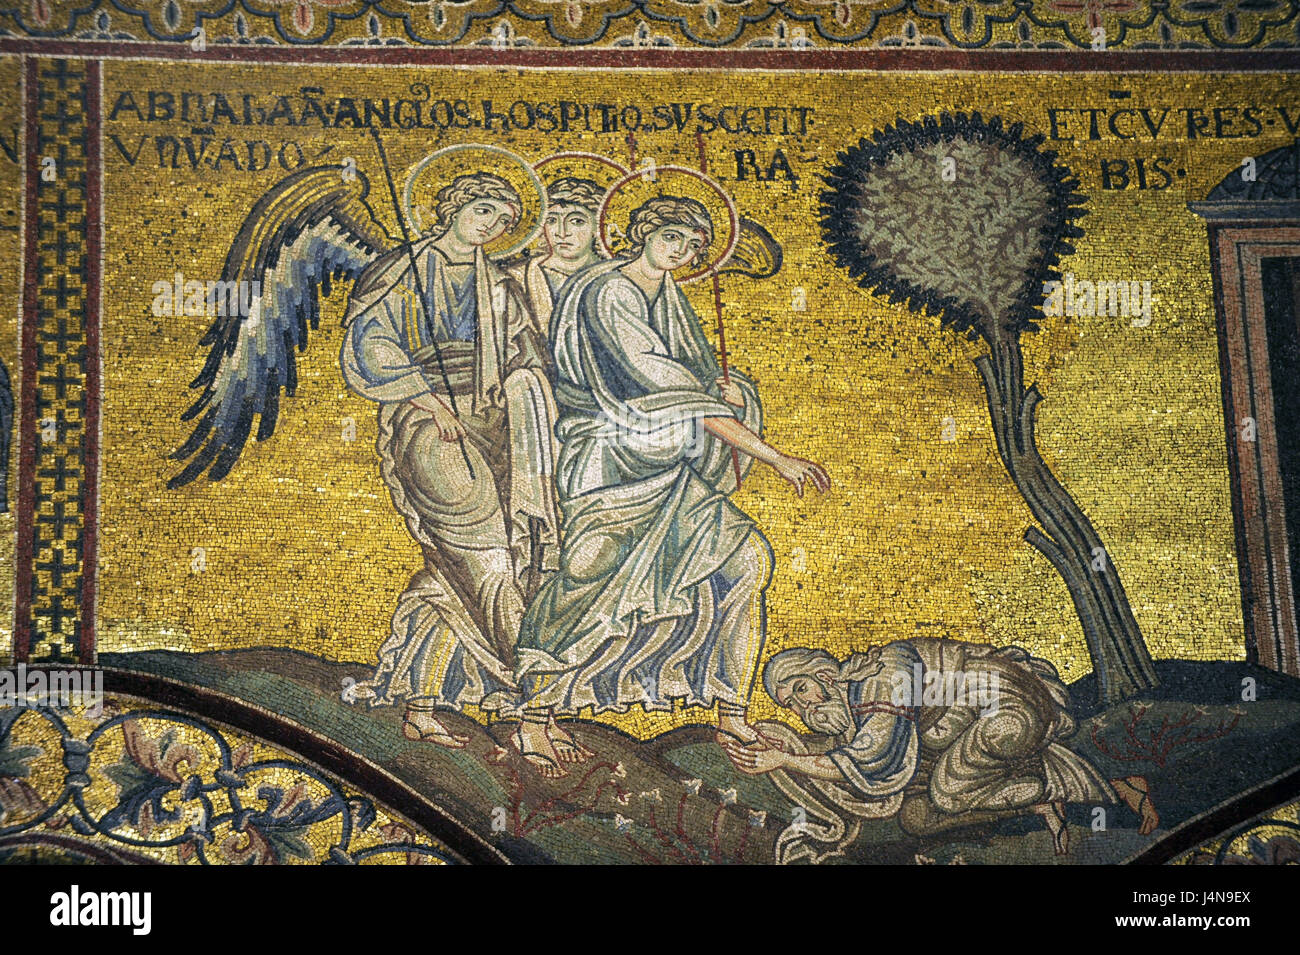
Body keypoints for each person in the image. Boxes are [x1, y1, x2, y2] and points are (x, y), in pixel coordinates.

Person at [508, 194, 831, 777]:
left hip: (668, 465)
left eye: (692, 246)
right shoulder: (609, 291)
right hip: (608, 458)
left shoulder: (670, 296)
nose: (680, 252)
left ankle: (730, 707)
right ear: (643, 232)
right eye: (671, 237)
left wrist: (728, 390)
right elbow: (661, 381)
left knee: (747, 559)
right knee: (586, 575)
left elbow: (695, 378)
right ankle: (533, 717)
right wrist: (771, 454)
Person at [340, 171, 561, 747]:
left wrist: (524, 388)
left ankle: (420, 700)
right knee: (485, 558)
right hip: (427, 421)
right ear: (454, 205)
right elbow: (371, 343)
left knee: (459, 569)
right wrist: (428, 398)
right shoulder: (400, 270)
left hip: (499, 423)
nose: (490, 226)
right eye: (484, 209)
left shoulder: (499, 283)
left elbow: (525, 353)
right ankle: (533, 702)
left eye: (504, 221)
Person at [730, 638, 1160, 860]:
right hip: (956, 726)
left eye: (802, 688)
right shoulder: (850, 701)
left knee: (950, 791)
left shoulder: (878, 678)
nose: (804, 704)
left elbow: (872, 757)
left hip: (1001, 699)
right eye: (792, 703)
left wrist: (786, 759)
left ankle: (1096, 788)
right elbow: (850, 748)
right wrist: (782, 742)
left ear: (823, 673)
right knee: (919, 816)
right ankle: (1044, 801)